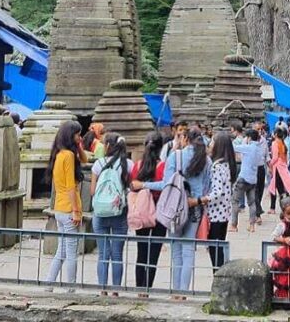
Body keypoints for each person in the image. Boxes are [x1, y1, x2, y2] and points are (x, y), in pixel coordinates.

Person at [132, 127, 211, 298]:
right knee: (188, 251)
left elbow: (166, 185)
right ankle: (183, 292)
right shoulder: (207, 160)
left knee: (176, 251)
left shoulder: (175, 156)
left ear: (185, 139)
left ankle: (175, 292)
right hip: (195, 207)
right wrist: (198, 199)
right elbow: (207, 187)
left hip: (175, 207)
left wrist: (144, 185)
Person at [44, 120, 86, 289]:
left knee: (61, 251)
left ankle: (48, 283)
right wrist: (76, 211)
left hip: (59, 208)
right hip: (69, 209)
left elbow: (84, 158)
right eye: (77, 134)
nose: (80, 136)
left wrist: (79, 145)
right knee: (71, 253)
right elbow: (70, 185)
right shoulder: (68, 156)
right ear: (70, 135)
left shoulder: (60, 154)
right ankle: (71, 287)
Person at [90, 133, 132, 295]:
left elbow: (93, 191)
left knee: (103, 253)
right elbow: (129, 188)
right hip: (119, 213)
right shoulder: (128, 164)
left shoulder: (98, 164)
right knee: (117, 254)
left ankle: (102, 289)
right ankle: (116, 290)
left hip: (100, 213)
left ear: (107, 146)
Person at [131, 131, 166, 296]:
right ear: (161, 148)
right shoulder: (163, 167)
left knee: (141, 251)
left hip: (141, 210)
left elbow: (132, 185)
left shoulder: (137, 165)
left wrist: (142, 185)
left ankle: (139, 288)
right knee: (154, 254)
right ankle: (147, 287)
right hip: (159, 212)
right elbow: (166, 187)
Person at [201, 130, 236, 271]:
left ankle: (219, 278)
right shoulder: (228, 165)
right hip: (224, 213)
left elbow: (217, 191)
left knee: (214, 250)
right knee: (219, 247)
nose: (210, 144)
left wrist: (202, 199)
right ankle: (221, 276)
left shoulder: (217, 166)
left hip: (215, 213)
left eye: (212, 142)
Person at [231, 127, 263, 232]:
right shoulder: (259, 150)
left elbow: (234, 147)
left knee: (235, 201)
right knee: (252, 203)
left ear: (249, 138)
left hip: (244, 177)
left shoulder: (248, 147)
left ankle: (234, 225)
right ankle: (252, 225)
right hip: (253, 179)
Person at [269, 127, 290, 212]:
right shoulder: (283, 143)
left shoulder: (275, 143)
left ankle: (284, 206)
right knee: (277, 188)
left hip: (277, 167)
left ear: (275, 134)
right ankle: (275, 207)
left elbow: (275, 157)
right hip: (282, 166)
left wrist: (270, 164)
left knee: (278, 189)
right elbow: (286, 157)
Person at [254, 122, 269, 221]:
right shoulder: (248, 141)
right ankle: (258, 213)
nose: (259, 131)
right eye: (257, 129)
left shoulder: (264, 141)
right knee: (254, 191)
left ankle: (257, 209)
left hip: (261, 168)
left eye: (261, 129)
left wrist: (270, 166)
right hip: (252, 169)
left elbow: (267, 155)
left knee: (260, 190)